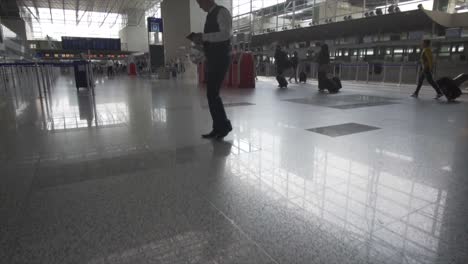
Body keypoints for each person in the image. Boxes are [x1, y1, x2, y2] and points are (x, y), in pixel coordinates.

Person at [192, 0, 233, 139]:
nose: (199, 5)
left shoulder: (222, 12)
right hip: (213, 59)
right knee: (212, 94)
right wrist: (201, 47)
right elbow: (212, 40)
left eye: (199, 2)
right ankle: (219, 127)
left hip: (221, 59)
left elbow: (225, 34)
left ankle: (223, 126)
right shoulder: (209, 16)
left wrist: (203, 37)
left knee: (212, 94)